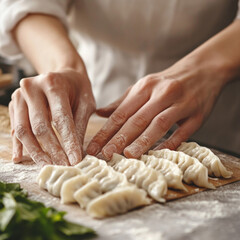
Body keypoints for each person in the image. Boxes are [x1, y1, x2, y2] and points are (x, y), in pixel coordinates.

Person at [0, 0, 239, 166]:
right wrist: (63, 67)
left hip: (214, 116)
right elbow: (26, 5)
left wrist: (205, 69)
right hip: (97, 102)